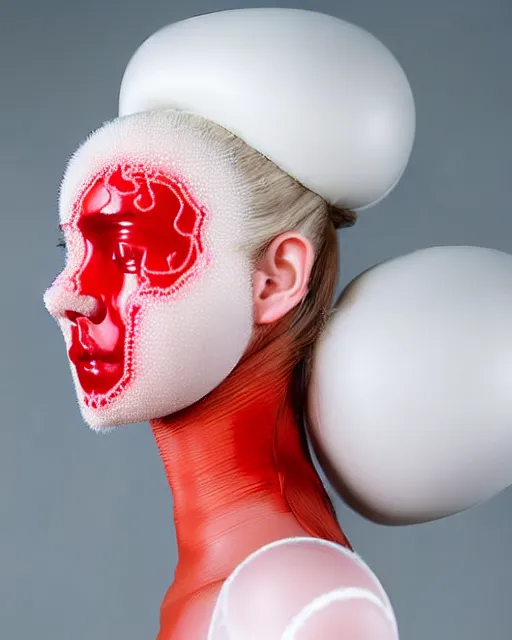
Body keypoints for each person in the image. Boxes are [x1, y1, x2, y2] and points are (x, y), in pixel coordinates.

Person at [43, 8, 512, 640]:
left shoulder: (294, 602)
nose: (63, 295)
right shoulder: (254, 583)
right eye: (70, 251)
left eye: (126, 249)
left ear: (275, 279)